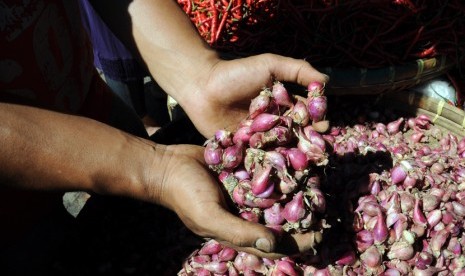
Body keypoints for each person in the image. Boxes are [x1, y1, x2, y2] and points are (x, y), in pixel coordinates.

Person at [0, 0, 328, 273]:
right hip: (8, 212)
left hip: (86, 99)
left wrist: (197, 76)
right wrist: (153, 169)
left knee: (123, 236)